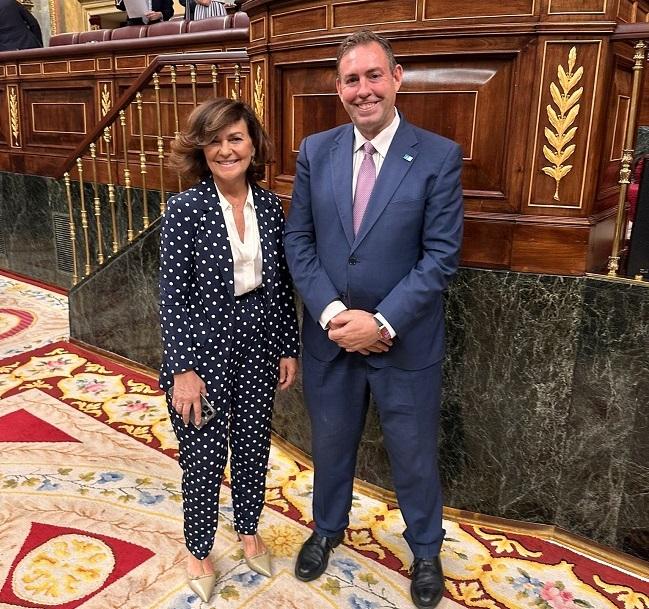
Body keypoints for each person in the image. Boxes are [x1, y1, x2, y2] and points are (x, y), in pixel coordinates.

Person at [284, 30, 463, 609]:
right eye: (352, 80)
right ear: (338, 88)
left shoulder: (437, 155)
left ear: (397, 77)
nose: (364, 90)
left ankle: (426, 551)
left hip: (404, 344)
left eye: (373, 76)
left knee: (413, 455)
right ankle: (327, 529)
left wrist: (381, 323)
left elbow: (441, 258)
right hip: (330, 338)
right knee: (330, 445)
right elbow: (300, 242)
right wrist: (337, 316)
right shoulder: (316, 151)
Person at [159, 98, 300, 603]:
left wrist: (287, 345)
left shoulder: (268, 206)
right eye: (214, 140)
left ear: (252, 144)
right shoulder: (186, 209)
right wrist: (182, 371)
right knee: (202, 457)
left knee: (253, 450)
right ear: (201, 149)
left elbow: (280, 285)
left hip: (259, 352)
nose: (225, 149)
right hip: (202, 358)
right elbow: (172, 296)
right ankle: (198, 549)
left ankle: (248, 530)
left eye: (235, 138)